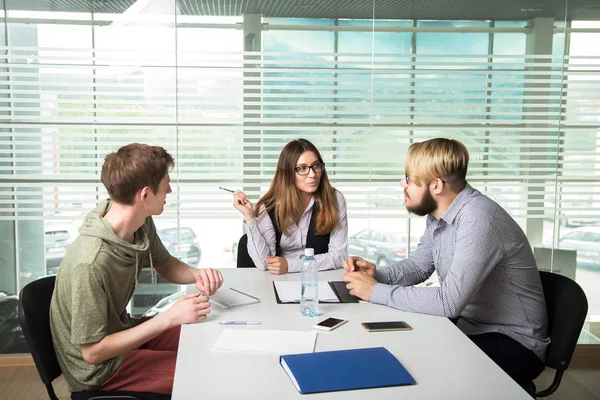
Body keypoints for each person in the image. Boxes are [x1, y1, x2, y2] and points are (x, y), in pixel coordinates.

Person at [342, 138, 549, 390]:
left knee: (419, 368)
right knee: (395, 348)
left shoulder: (479, 219)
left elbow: (448, 303)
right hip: (469, 327)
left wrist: (375, 291)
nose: (402, 183)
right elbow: (420, 266)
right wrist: (378, 274)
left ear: (436, 185)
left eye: (409, 178)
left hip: (513, 342)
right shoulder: (439, 215)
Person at [50, 143, 224, 395]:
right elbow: (92, 352)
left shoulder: (139, 223)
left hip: (122, 333)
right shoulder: (90, 263)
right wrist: (169, 318)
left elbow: (166, 264)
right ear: (144, 195)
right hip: (100, 369)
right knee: (202, 370)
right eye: (166, 186)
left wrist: (199, 275)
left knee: (205, 335)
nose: (170, 190)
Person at [233, 138, 348, 274]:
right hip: (280, 280)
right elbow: (264, 263)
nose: (312, 174)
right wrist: (249, 217)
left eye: (316, 166)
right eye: (302, 168)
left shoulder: (334, 199)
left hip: (318, 277)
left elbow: (339, 256)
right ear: (288, 173)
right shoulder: (270, 206)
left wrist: (291, 265)